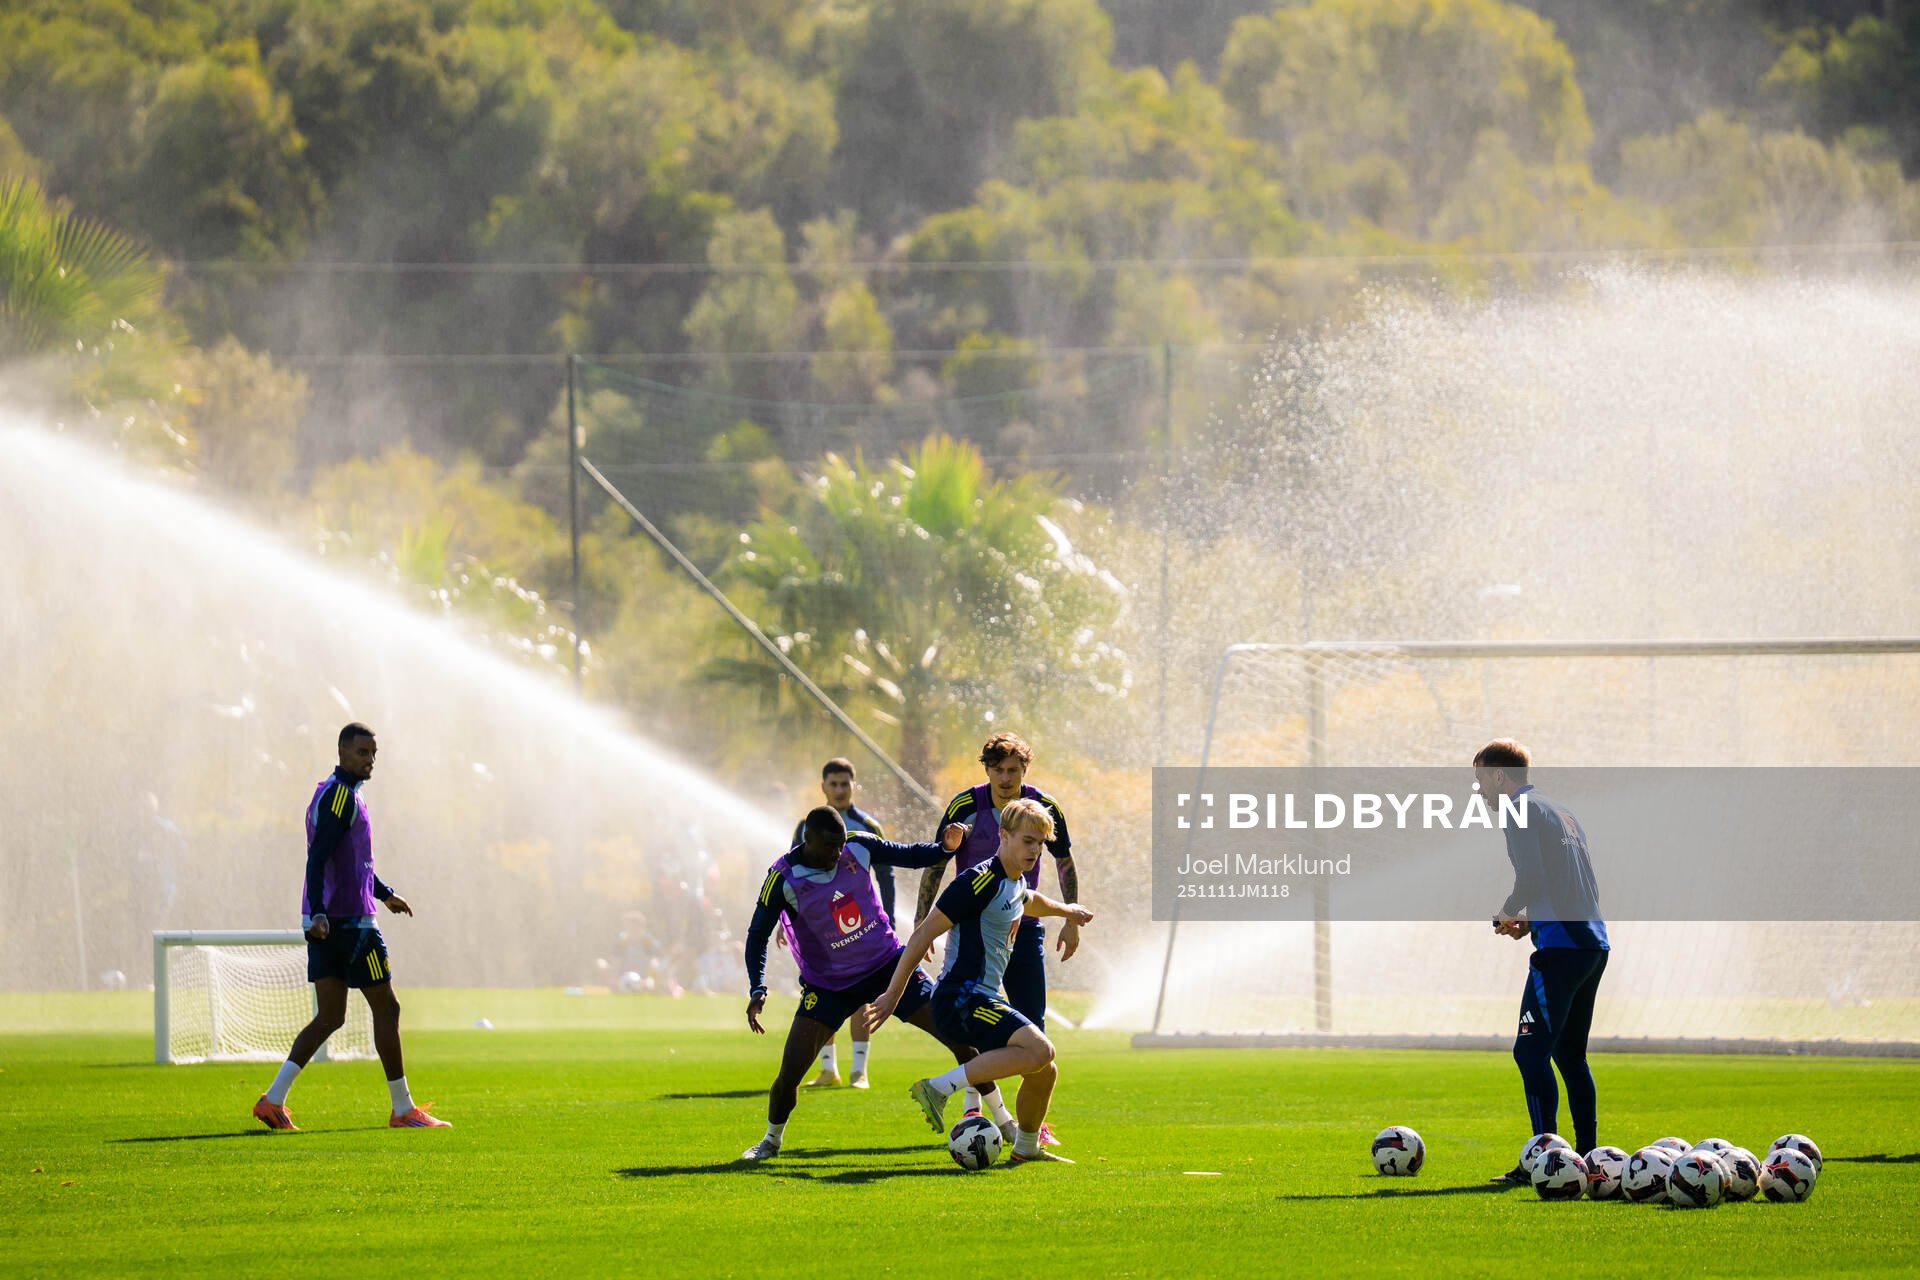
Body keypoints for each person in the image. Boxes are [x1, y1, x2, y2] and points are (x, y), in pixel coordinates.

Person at [740, 806, 1015, 1162]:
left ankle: (1006, 1121)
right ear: (808, 841)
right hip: (829, 986)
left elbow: (911, 855)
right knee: (790, 1072)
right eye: (829, 847)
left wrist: (945, 848)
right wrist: (757, 987)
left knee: (959, 1038)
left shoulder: (859, 845)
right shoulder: (782, 879)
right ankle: (770, 1141)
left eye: (840, 845)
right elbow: (756, 935)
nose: (837, 854)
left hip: (889, 967)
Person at [870, 798, 1094, 1166]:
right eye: (1027, 841)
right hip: (959, 998)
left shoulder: (1014, 881)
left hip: (981, 998)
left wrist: (1066, 911)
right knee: (1041, 1051)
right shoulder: (977, 881)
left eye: (1040, 843)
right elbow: (923, 933)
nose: (1035, 850)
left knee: (1043, 1070)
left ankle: (1025, 1148)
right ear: (1003, 836)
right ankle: (937, 1088)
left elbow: (1028, 899)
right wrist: (894, 994)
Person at [253, 723, 448, 1131]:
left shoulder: (332, 793)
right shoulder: (341, 797)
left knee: (329, 1017)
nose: (369, 760)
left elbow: (350, 863)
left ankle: (272, 1100)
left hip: (327, 921)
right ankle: (403, 1109)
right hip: (350, 925)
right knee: (388, 1008)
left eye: (373, 753)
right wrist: (323, 910)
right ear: (342, 750)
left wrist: (384, 893)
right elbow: (318, 853)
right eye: (362, 752)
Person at [915, 732, 1077, 1135]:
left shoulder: (1044, 806)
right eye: (998, 770)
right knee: (979, 1016)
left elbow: (1065, 863)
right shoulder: (965, 806)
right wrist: (925, 927)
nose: (1005, 778)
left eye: (1013, 770)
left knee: (1032, 1035)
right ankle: (974, 1112)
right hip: (976, 928)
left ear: (1025, 771)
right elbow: (937, 863)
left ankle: (1029, 1130)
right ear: (986, 770)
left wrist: (1070, 919)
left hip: (1025, 928)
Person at [1475, 739, 1609, 1182]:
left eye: (1481, 781)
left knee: (1530, 1052)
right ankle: (1588, 1159)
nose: (1480, 793)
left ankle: (1544, 1161)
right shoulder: (1562, 811)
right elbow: (1569, 882)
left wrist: (1508, 911)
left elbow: (1530, 877)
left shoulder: (1518, 810)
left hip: (1563, 951)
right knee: (1571, 1056)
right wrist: (1532, 922)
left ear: (1499, 776)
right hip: (1592, 944)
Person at [790, 757, 890, 1089]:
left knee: (861, 993)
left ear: (853, 786)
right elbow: (793, 880)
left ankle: (859, 1070)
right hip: (820, 928)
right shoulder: (807, 827)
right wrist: (785, 923)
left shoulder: (868, 826)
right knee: (822, 989)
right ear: (823, 787)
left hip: (859, 923)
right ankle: (828, 1069)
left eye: (845, 783)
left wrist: (885, 919)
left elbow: (885, 878)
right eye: (833, 784)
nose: (839, 789)